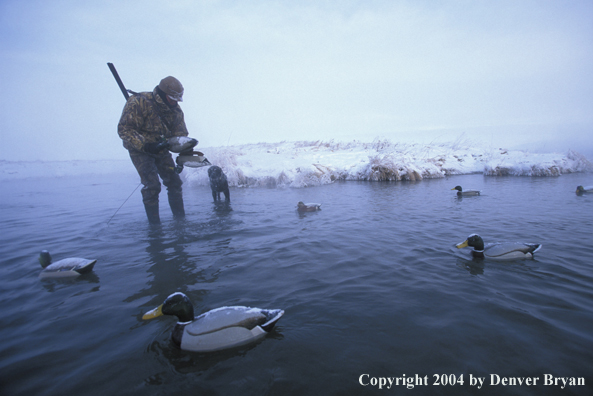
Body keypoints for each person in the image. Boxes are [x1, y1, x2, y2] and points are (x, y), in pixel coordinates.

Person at [117, 76, 189, 224]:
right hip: (140, 149)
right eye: (172, 98)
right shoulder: (138, 102)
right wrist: (145, 145)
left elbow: (180, 134)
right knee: (152, 186)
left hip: (161, 148)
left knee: (175, 182)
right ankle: (155, 228)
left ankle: (180, 222)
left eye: (177, 99)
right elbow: (125, 129)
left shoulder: (175, 110)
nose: (175, 102)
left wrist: (184, 151)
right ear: (163, 94)